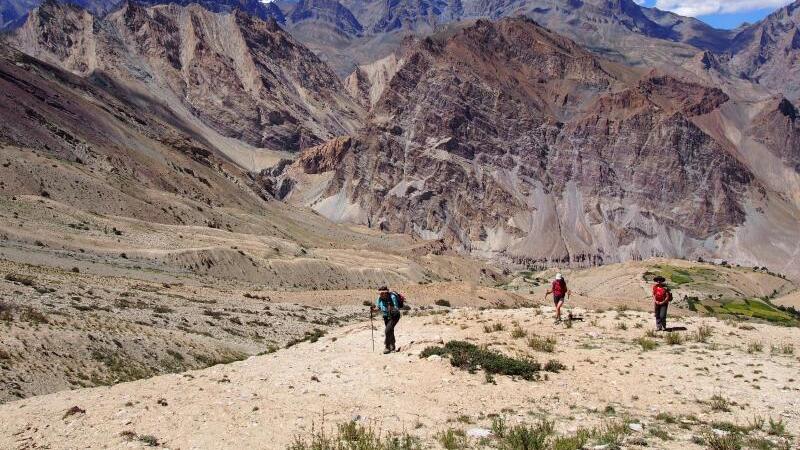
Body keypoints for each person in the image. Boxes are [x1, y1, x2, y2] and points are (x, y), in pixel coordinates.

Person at [371, 286, 401, 354]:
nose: (382, 294)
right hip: (386, 317)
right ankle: (392, 345)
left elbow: (396, 309)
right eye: (380, 293)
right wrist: (373, 310)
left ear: (386, 292)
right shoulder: (379, 298)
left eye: (383, 293)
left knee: (387, 331)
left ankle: (387, 347)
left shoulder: (392, 297)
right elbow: (378, 308)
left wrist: (391, 308)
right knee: (390, 330)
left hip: (394, 316)